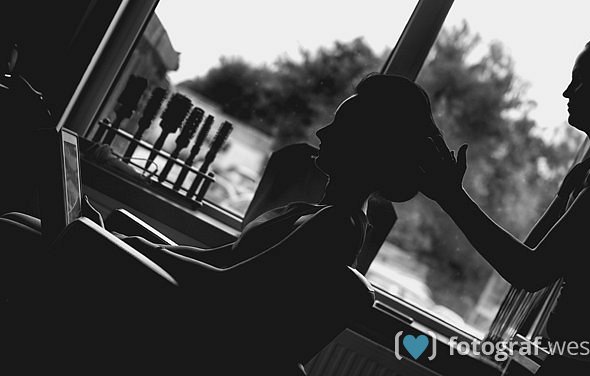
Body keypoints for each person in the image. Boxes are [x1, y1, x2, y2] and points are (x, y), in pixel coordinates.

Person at [117, 72, 441, 373]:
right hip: (199, 324)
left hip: (204, 348)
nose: (322, 133)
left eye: (339, 126)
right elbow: (218, 257)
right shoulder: (322, 213)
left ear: (366, 148)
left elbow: (226, 288)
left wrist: (140, 249)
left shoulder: (335, 225)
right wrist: (142, 246)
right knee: (117, 225)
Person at [419, 32, 590, 375]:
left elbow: (529, 272)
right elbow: (530, 253)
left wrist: (450, 196)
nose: (567, 92)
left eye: (581, 81)